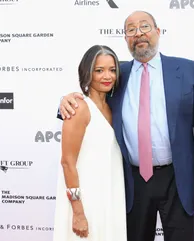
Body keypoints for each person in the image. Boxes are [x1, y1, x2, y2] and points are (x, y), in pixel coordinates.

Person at [59, 11, 194, 241]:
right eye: (131, 30)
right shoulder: (116, 75)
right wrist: (64, 102)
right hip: (132, 182)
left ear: (158, 32)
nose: (139, 33)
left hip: (178, 179)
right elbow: (92, 104)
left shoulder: (187, 70)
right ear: (125, 39)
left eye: (145, 26)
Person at [53, 45, 127, 241]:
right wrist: (77, 211)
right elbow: (67, 162)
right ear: (88, 72)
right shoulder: (79, 108)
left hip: (110, 198)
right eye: (99, 70)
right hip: (86, 202)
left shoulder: (113, 108)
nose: (107, 76)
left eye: (112, 70)